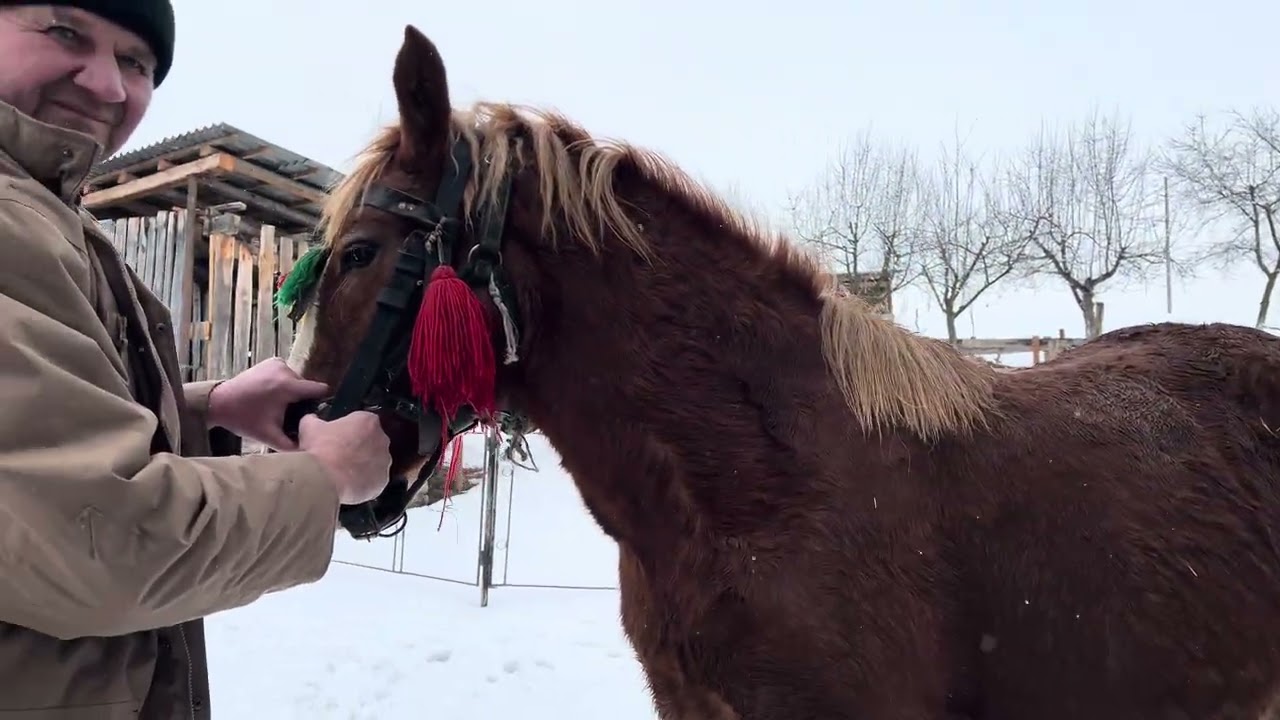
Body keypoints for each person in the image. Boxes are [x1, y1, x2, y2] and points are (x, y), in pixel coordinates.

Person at [0, 1, 393, 717]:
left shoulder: (50, 215)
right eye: (65, 33)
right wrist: (325, 479)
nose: (108, 86)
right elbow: (101, 538)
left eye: (136, 63)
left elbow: (24, 450)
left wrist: (204, 406)